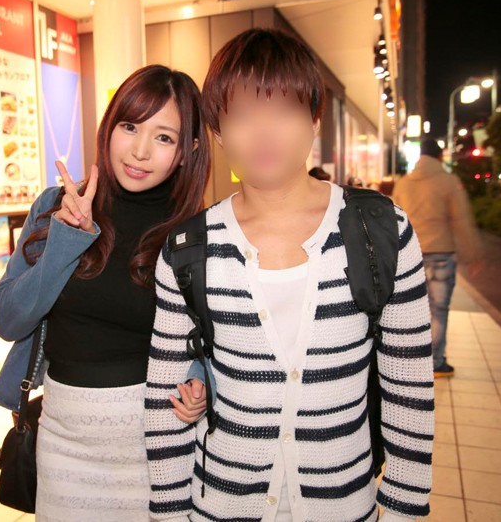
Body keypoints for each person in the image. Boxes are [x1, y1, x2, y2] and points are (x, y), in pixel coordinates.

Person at [146, 28, 434, 522]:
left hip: (343, 505)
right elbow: (163, 399)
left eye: (283, 110)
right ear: (218, 131)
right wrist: (170, 516)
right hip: (220, 506)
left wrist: (403, 511)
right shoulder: (188, 248)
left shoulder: (381, 230)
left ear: (314, 119)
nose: (264, 133)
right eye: (242, 115)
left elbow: (409, 383)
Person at [0, 65, 210, 521]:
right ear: (109, 127)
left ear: (187, 151)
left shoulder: (193, 233)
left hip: (154, 441)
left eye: (163, 137)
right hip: (62, 439)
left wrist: (199, 379)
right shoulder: (57, 206)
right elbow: (7, 319)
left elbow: (210, 337)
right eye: (129, 127)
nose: (140, 150)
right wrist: (65, 242)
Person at [392, 138, 482, 378]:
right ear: (439, 156)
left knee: (409, 311)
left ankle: (408, 359)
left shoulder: (403, 183)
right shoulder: (448, 181)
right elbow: (461, 220)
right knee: (438, 310)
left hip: (410, 254)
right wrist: (472, 254)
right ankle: (435, 361)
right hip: (441, 252)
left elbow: (394, 220)